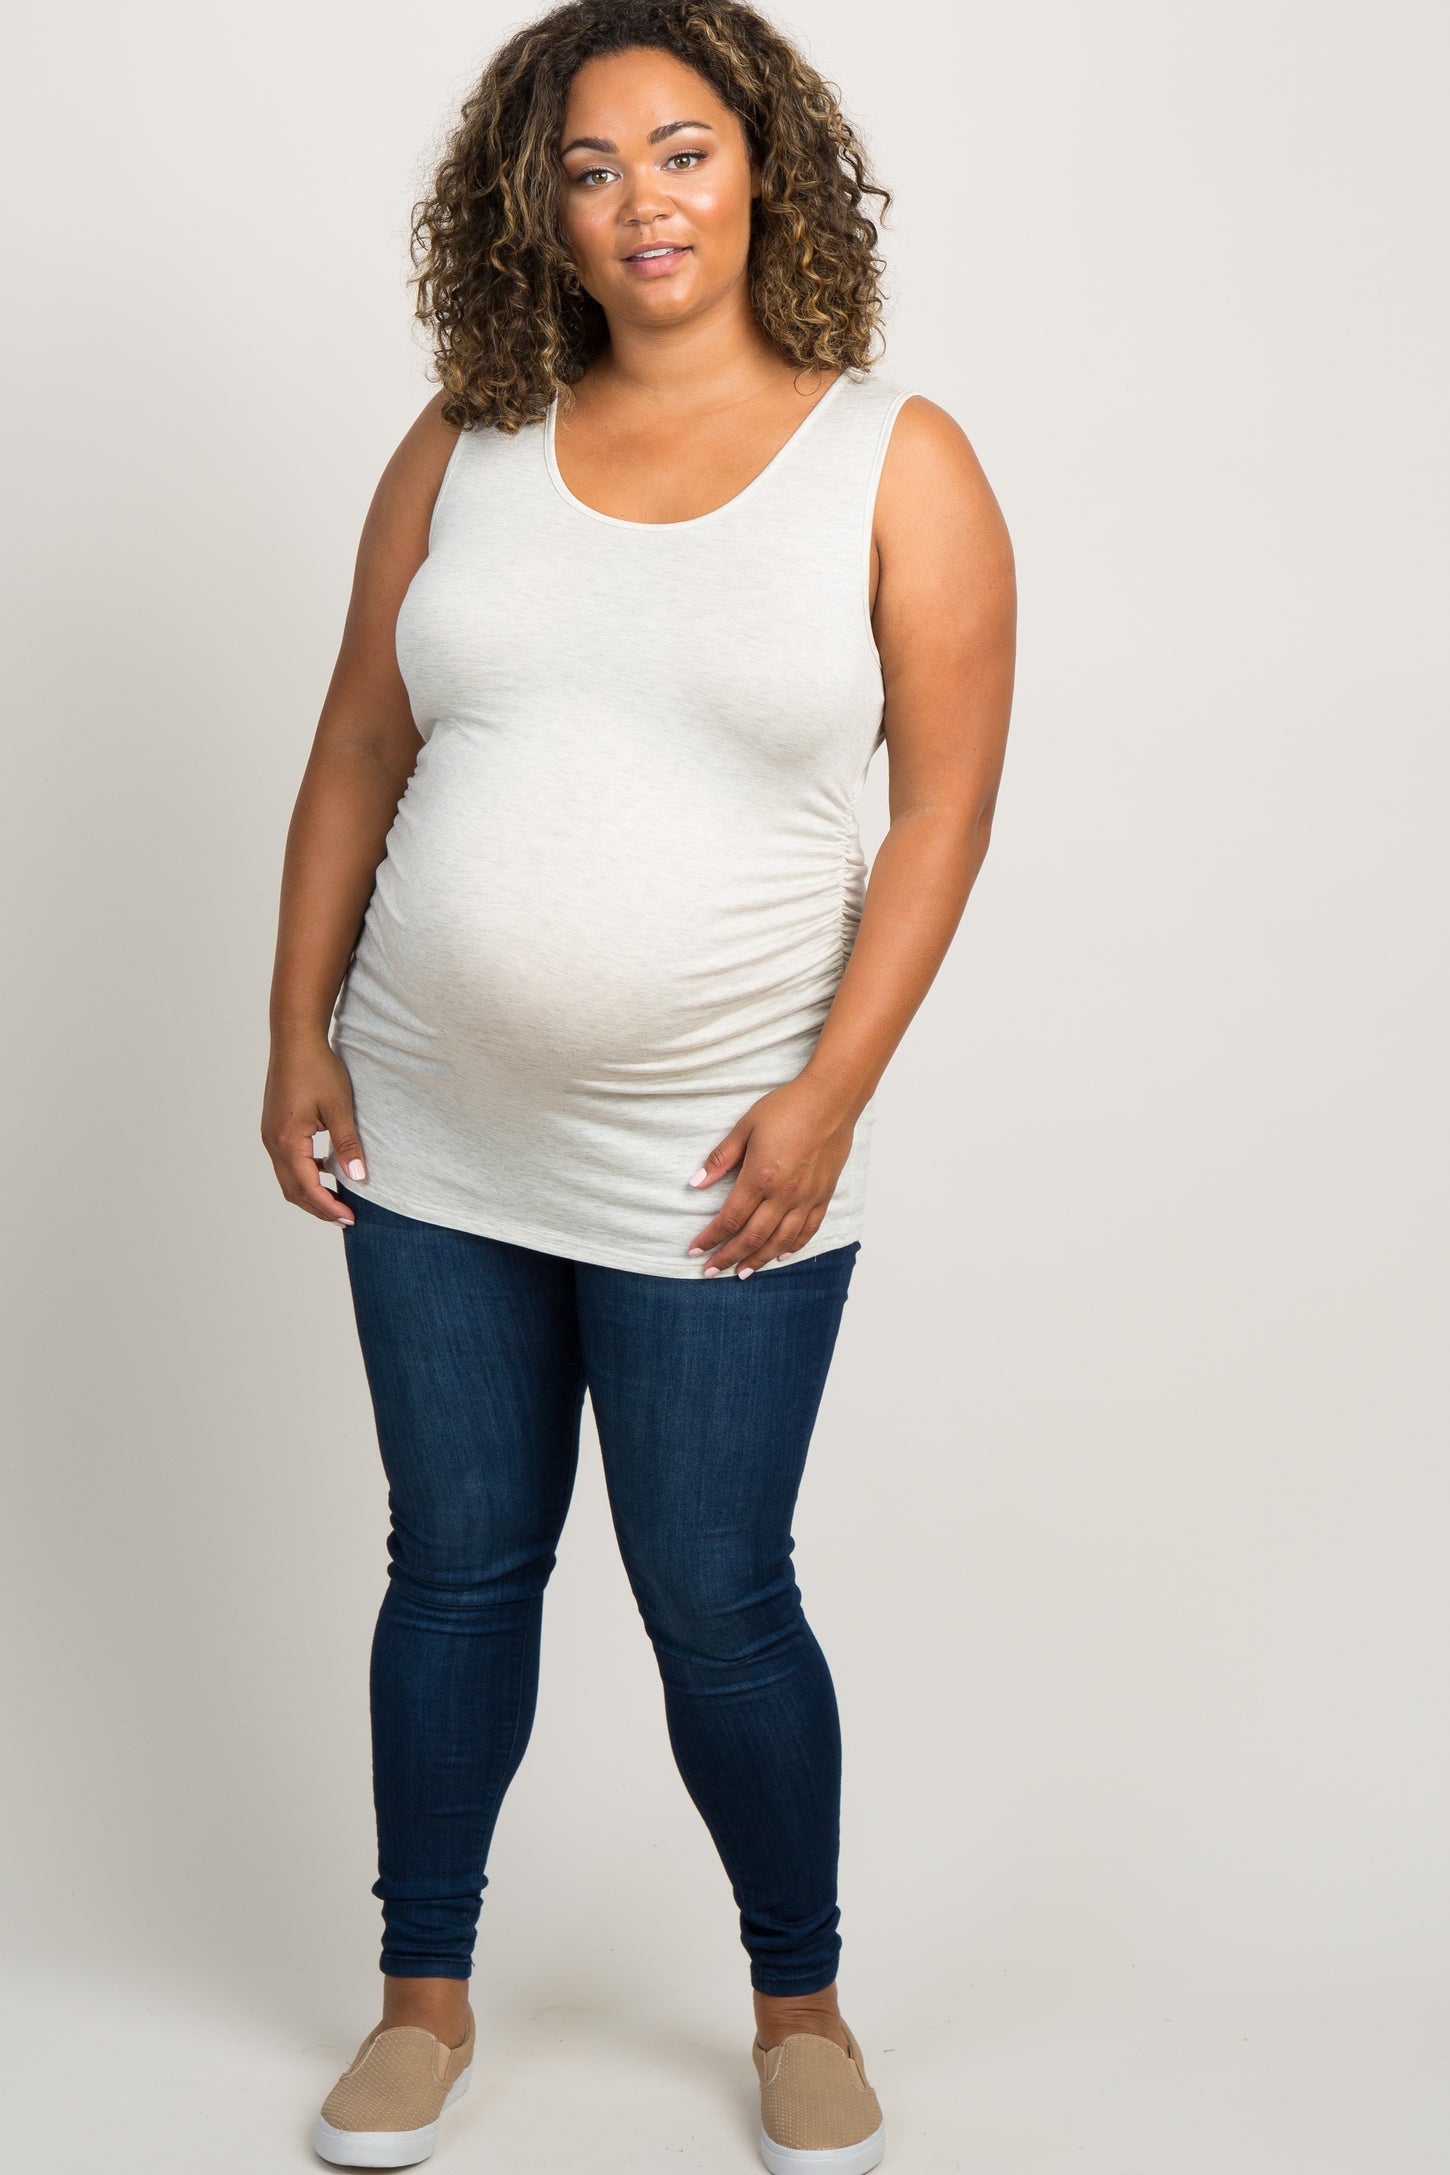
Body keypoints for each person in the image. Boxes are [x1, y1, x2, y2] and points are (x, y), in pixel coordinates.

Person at [260, 1, 1014, 2166]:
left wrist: (832, 1093)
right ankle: (421, 1997)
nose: (639, 203)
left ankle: (799, 2001)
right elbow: (359, 741)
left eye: (680, 151)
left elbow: (944, 807)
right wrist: (294, 1025)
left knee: (715, 1593)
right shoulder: (463, 442)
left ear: (763, 169)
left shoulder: (895, 459)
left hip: (716, 1151)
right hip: (430, 1127)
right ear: (537, 209)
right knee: (452, 1568)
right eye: (587, 168)